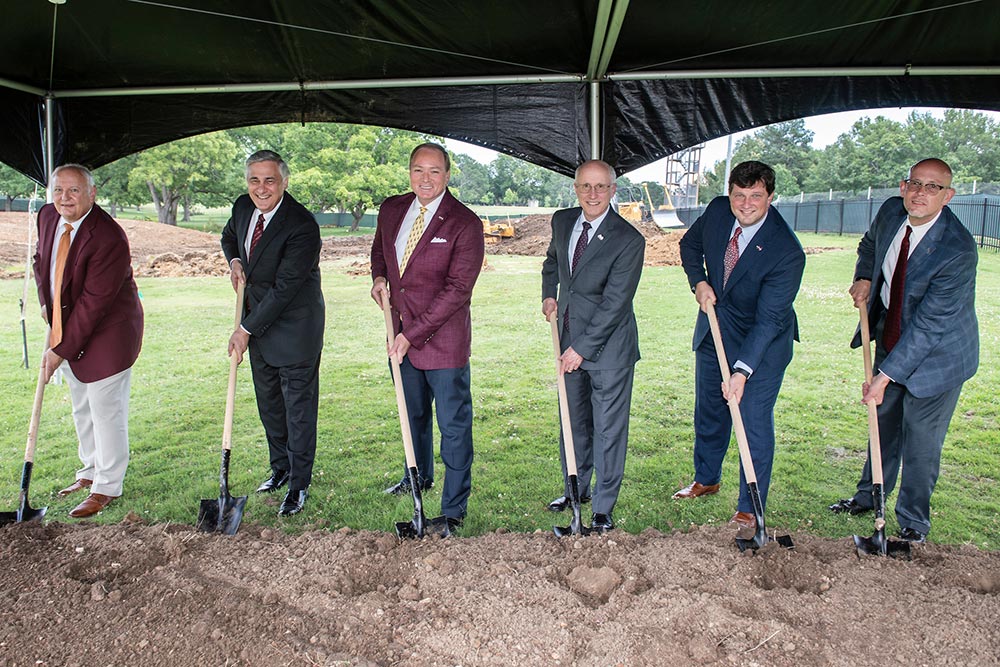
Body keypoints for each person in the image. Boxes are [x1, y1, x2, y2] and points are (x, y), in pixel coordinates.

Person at [829, 158, 978, 543]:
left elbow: (929, 326)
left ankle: (913, 522)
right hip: (890, 337)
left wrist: (885, 377)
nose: (920, 193)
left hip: (938, 357)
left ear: (948, 196)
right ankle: (869, 496)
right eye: (915, 183)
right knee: (883, 427)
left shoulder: (957, 249)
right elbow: (870, 245)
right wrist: (864, 276)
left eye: (932, 187)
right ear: (902, 186)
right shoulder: (892, 212)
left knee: (921, 440)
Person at [675, 160, 805, 534]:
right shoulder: (717, 210)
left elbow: (769, 320)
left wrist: (742, 370)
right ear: (729, 192)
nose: (745, 204)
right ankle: (707, 478)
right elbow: (690, 244)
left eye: (756, 196)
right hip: (714, 328)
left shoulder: (786, 251)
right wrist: (698, 282)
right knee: (711, 410)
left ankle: (750, 504)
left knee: (751, 421)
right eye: (739, 195)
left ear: (770, 196)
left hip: (761, 345)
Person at [370, 142, 485, 532]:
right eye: (418, 170)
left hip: (444, 342)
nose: (426, 178)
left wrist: (412, 335)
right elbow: (380, 253)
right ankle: (416, 475)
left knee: (453, 426)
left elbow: (458, 290)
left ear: (448, 175)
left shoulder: (465, 223)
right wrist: (379, 278)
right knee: (412, 413)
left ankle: (453, 508)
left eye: (434, 171)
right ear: (409, 172)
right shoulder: (391, 209)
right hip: (398, 333)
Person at [33, 164, 144, 518]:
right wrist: (49, 314)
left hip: (109, 331)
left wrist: (59, 350)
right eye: (58, 191)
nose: (64, 198)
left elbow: (93, 304)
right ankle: (89, 471)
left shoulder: (108, 237)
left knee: (105, 408)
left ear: (92, 193)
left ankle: (106, 486)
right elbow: (42, 263)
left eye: (74, 191)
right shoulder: (48, 216)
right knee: (81, 402)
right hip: (69, 324)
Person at [540, 159, 645, 532]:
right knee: (573, 421)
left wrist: (581, 348)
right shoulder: (563, 221)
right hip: (567, 338)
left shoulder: (628, 239)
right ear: (576, 189)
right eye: (586, 186)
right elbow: (552, 262)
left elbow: (615, 303)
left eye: (601, 187)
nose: (593, 194)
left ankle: (601, 507)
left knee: (607, 429)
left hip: (608, 351)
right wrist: (548, 296)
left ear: (613, 190)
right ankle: (574, 489)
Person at [220, 150, 325, 517]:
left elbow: (286, 288)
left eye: (269, 180)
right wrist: (234, 260)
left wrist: (244, 329)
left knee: (297, 409)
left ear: (284, 181)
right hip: (258, 323)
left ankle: (299, 484)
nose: (261, 188)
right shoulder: (242, 207)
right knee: (270, 405)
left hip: (295, 326)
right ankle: (280, 468)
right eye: (254, 180)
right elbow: (230, 237)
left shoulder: (301, 225)